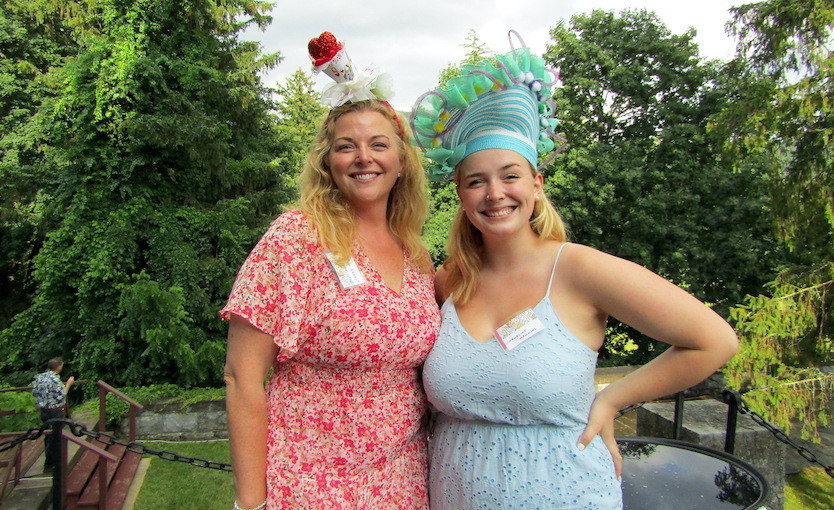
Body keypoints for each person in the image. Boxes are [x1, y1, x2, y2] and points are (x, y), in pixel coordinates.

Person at [410, 30, 739, 509]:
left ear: (537, 184)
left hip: (562, 490)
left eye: (510, 176)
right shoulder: (449, 283)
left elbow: (714, 341)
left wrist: (611, 399)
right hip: (455, 490)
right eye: (476, 181)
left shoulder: (578, 269)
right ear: (460, 195)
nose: (495, 194)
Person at [221, 32, 440, 510]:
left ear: (401, 163)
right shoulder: (296, 239)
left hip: (402, 484)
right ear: (328, 162)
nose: (364, 157)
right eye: (347, 146)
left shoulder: (415, 255)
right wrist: (251, 504)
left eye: (378, 144)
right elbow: (242, 378)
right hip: (307, 486)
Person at [32, 357, 75, 472]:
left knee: (48, 436)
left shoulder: (39, 377)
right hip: (55, 412)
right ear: (59, 367)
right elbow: (61, 395)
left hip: (44, 411)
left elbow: (34, 392)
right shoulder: (55, 380)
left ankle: (50, 462)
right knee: (55, 438)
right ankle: (50, 465)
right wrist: (69, 384)